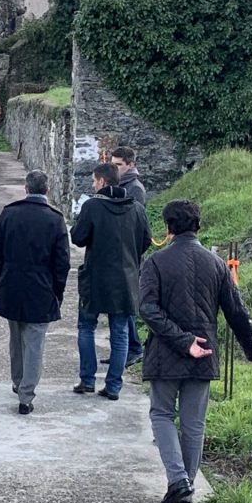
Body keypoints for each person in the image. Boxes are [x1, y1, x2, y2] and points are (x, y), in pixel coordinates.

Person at [139, 199, 252, 503]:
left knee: (162, 414)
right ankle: (187, 486)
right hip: (204, 350)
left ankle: (178, 480)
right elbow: (237, 311)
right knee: (194, 423)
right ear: (199, 226)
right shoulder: (217, 264)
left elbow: (148, 310)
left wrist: (181, 340)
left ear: (167, 229)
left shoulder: (155, 263)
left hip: (167, 350)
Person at [0, 169, 70, 414]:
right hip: (42, 286)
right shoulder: (55, 219)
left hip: (12, 284)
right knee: (34, 344)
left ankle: (18, 381)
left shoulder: (9, 213)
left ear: (26, 189)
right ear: (47, 190)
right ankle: (26, 394)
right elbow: (62, 262)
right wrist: (58, 291)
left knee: (16, 340)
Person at [70, 162, 151, 401]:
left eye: (95, 181)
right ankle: (114, 385)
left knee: (86, 326)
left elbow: (78, 237)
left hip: (95, 277)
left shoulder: (93, 206)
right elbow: (146, 239)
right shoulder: (136, 208)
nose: (93, 185)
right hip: (125, 278)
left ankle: (87, 379)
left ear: (103, 182)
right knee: (120, 331)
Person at [110, 145, 147, 367]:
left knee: (126, 306)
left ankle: (133, 348)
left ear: (130, 165)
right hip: (121, 255)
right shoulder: (123, 185)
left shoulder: (135, 189)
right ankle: (122, 350)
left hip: (128, 257)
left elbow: (136, 224)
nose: (115, 169)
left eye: (118, 165)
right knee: (120, 305)